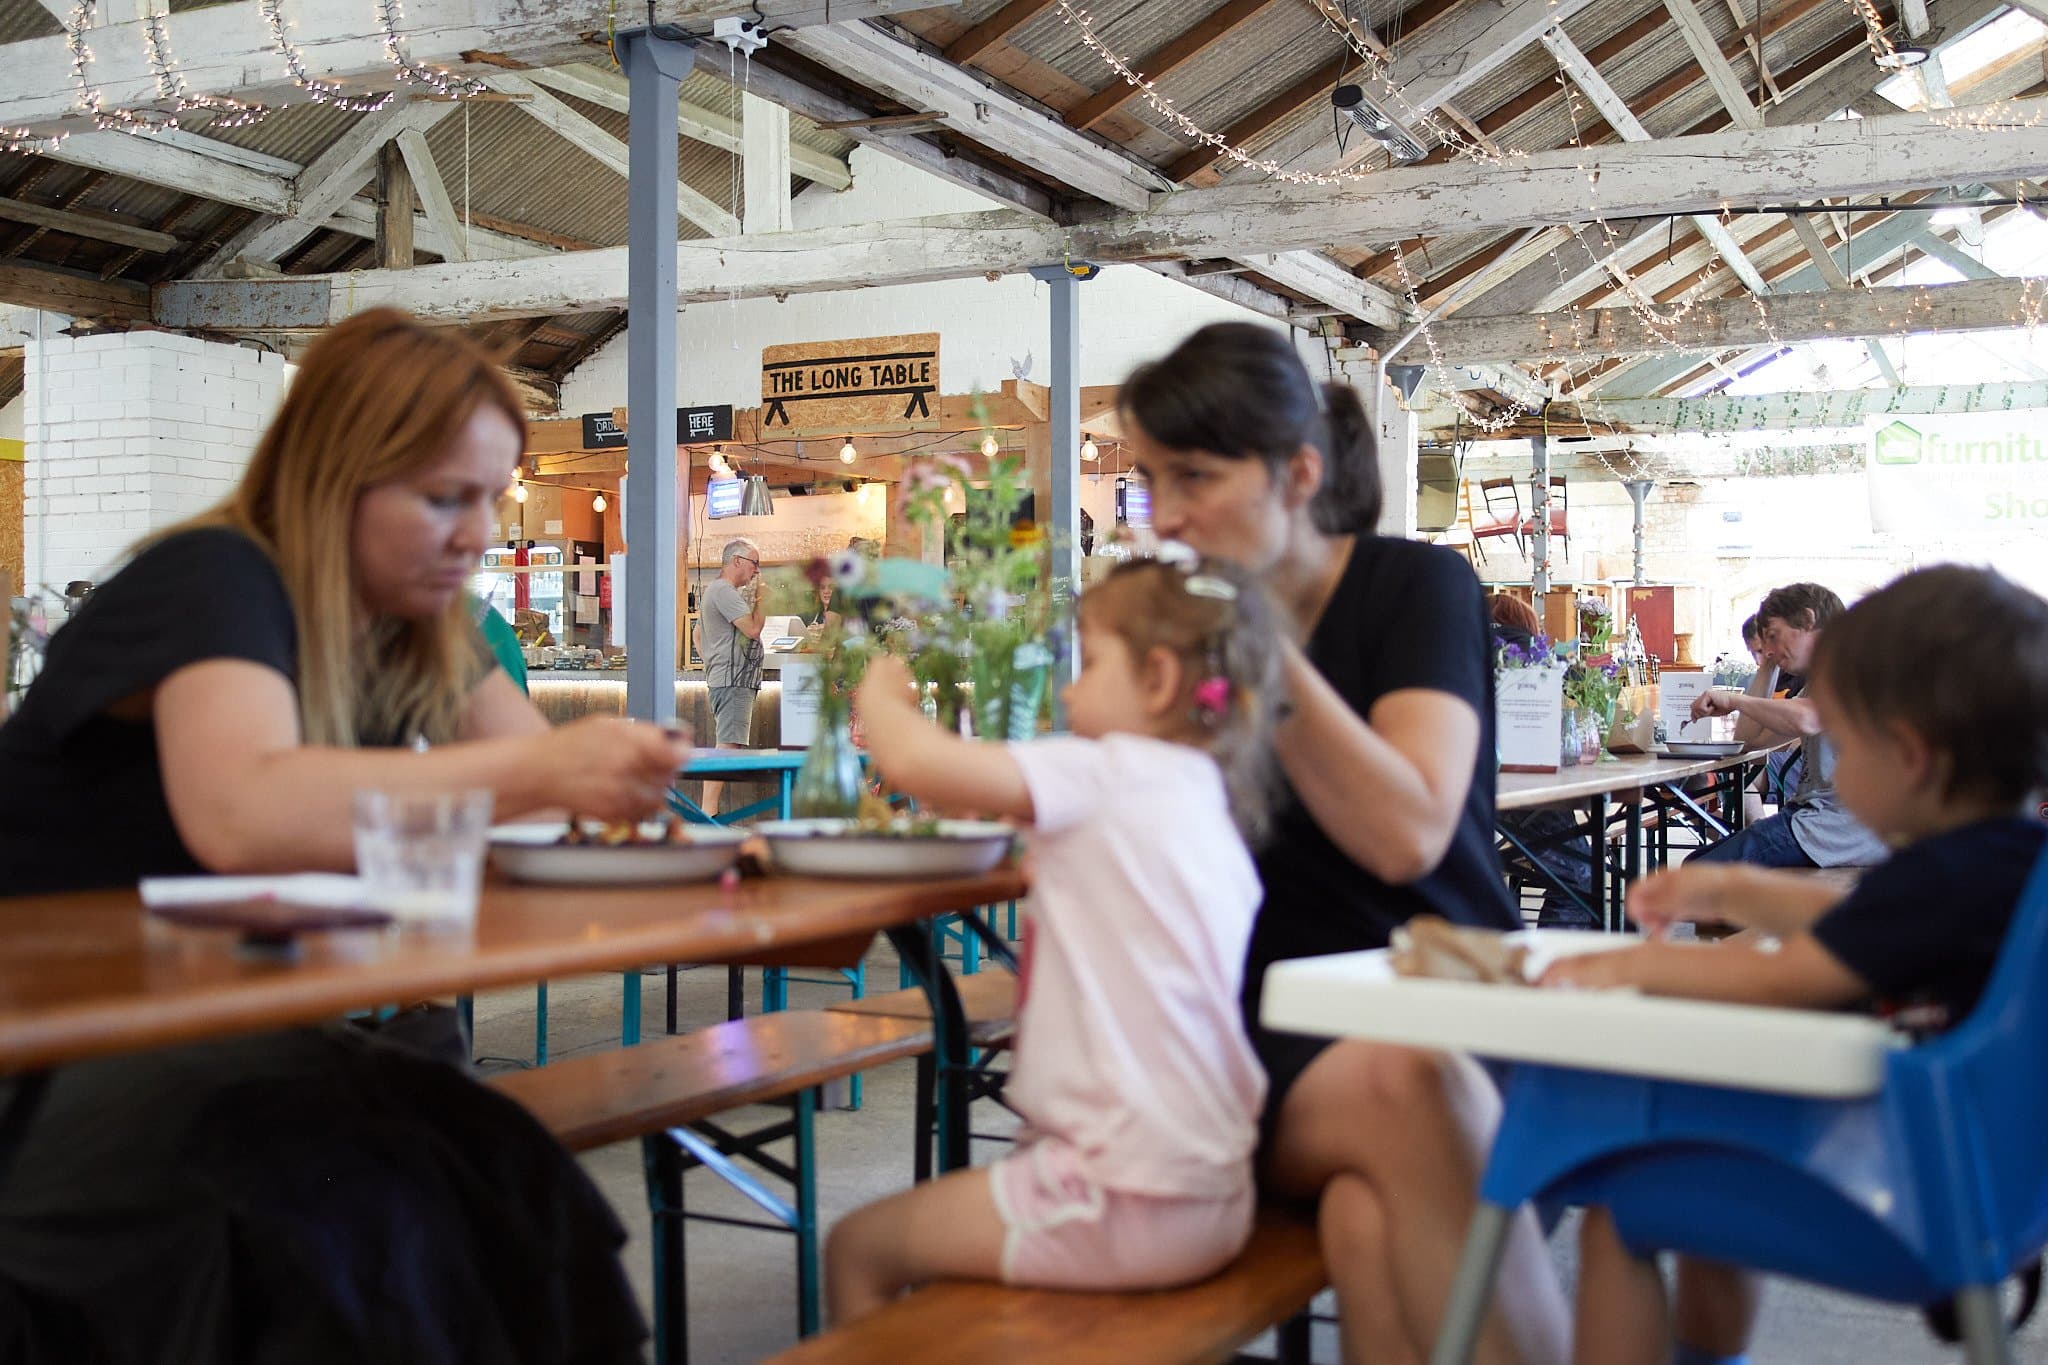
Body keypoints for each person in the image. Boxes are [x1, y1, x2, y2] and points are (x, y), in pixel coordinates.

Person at [0, 309, 690, 1362]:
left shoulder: (417, 618)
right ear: (335, 475)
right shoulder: (216, 578)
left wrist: (600, 791)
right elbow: (244, 812)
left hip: (214, 1017)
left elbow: (533, 795)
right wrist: (539, 772)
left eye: (489, 500)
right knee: (382, 1215)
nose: (477, 535)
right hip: (59, 1043)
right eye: (440, 498)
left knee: (496, 1172)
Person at [1119, 322, 1569, 1365]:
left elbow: (1406, 834)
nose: (1165, 515)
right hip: (1270, 1023)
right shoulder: (1169, 639)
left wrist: (1252, 644)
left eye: (1192, 475)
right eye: (1147, 479)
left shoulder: (1414, 587)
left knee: (1372, 1222)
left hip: (1451, 995)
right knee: (1404, 1091)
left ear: (1297, 476)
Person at [1542, 564, 2048, 1365]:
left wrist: (1620, 968)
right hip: (1991, 1186)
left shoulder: (1937, 878)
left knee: (1619, 1208)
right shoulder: (2005, 868)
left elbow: (1780, 978)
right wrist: (1736, 886)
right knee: (1712, 1151)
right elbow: (1858, 926)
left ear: (1909, 755)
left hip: (1908, 1192)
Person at [829, 553, 1282, 1322]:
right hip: (1218, 1185)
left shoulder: (1106, 771)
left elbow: (912, 762)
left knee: (856, 1246)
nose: (1068, 689)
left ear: (1160, 679)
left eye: (1090, 661)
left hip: (1121, 1197)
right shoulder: (1210, 796)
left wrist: (879, 686)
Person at [1688, 583, 1884, 870]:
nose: (1767, 649)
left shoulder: (1854, 665)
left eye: (1773, 637)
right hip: (1816, 822)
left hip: (1838, 829)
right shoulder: (1819, 681)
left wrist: (1733, 700)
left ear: (1807, 620)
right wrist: (1769, 665)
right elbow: (1749, 741)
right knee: (1696, 866)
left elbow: (1810, 717)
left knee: (1698, 873)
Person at [1488, 594, 1599, 930]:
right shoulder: (1528, 651)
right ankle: (1552, 967)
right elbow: (1579, 689)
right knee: (1580, 878)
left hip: (1477, 792)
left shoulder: (1467, 649)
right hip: (1528, 788)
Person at [696, 537, 765, 817]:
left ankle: (707, 813)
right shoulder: (724, 590)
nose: (757, 571)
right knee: (727, 745)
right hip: (733, 680)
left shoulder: (716, 590)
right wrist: (764, 602)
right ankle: (708, 814)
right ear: (737, 561)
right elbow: (752, 629)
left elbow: (697, 635)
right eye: (754, 563)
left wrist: (711, 661)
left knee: (728, 743)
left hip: (727, 677)